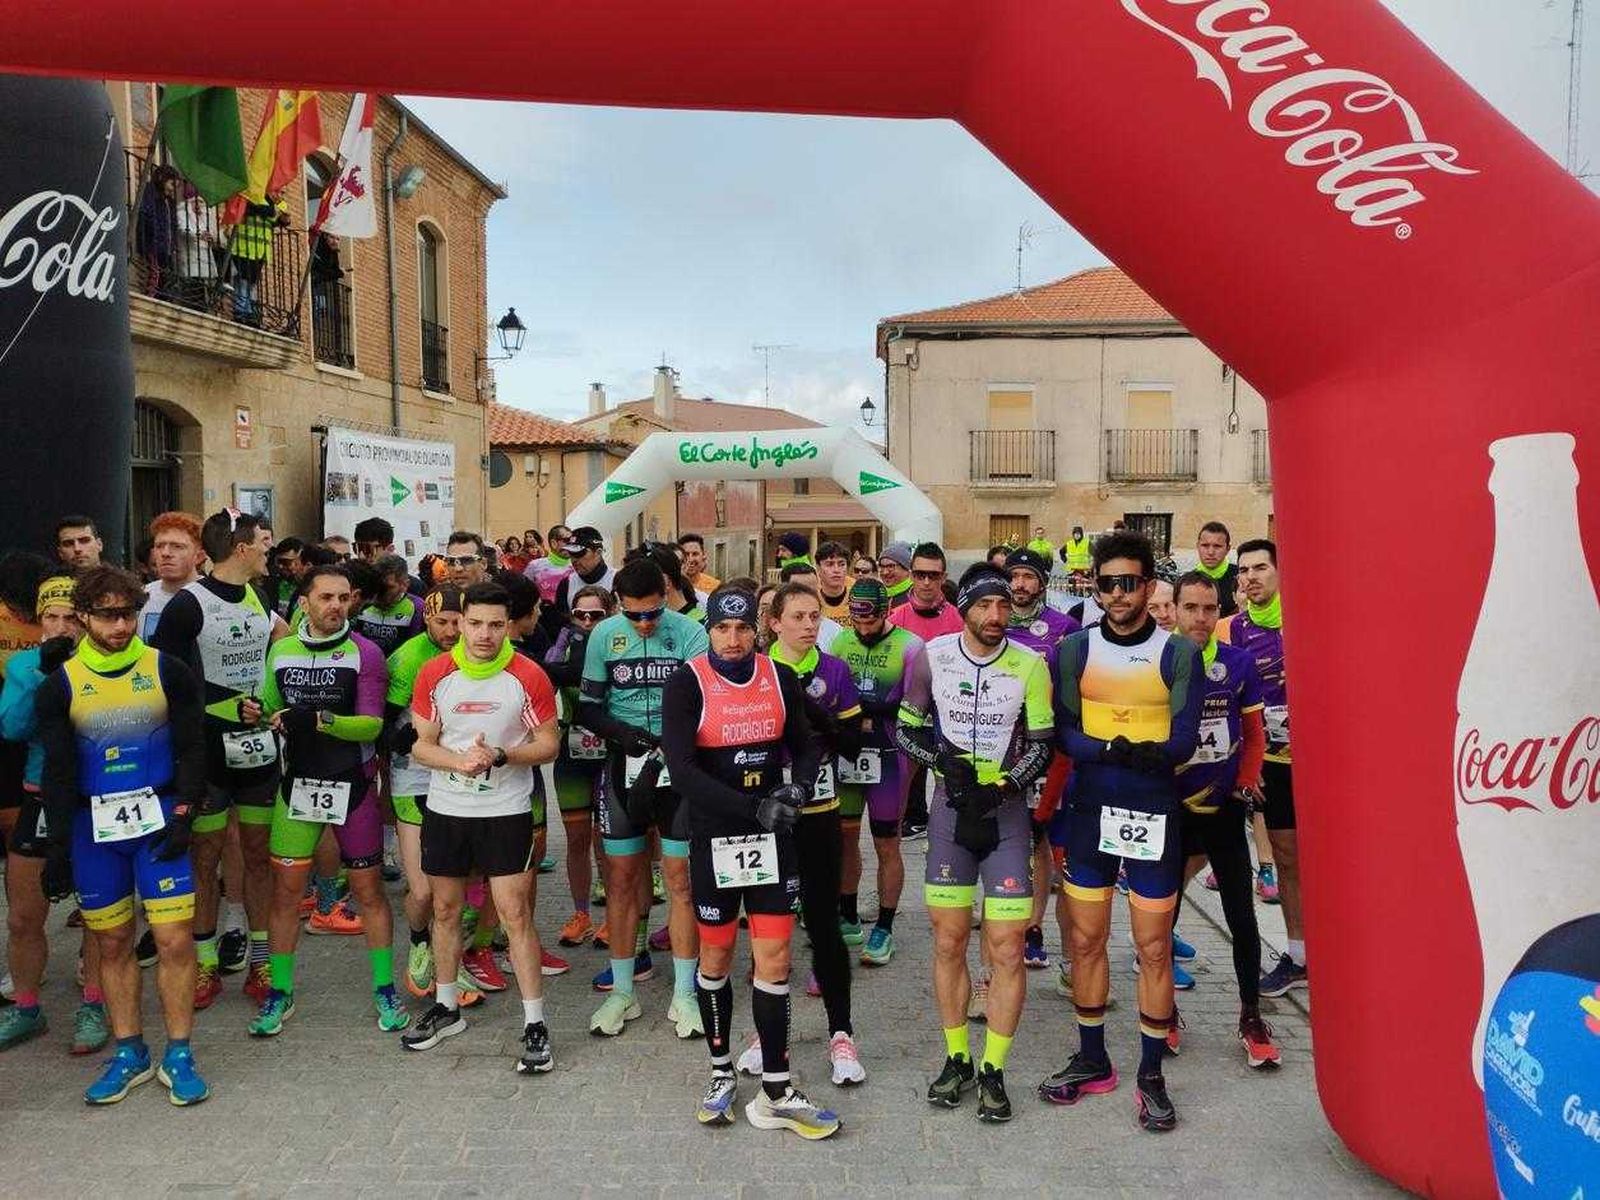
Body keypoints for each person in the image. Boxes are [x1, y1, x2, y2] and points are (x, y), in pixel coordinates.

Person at [659, 586, 839, 1138]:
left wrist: (798, 789)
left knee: (776, 958)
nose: (733, 640)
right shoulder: (687, 682)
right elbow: (683, 771)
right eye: (722, 630)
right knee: (714, 961)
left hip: (772, 837)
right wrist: (751, 806)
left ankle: (778, 1090)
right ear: (708, 631)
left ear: (757, 629)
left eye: (742, 630)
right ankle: (719, 1074)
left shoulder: (779, 677)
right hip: (717, 837)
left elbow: (811, 742)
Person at [1040, 531, 1202, 1133]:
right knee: (1084, 942)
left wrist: (1131, 754)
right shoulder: (1075, 651)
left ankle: (1152, 1074)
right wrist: (1115, 747)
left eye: (1129, 583)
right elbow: (1065, 734)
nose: (1117, 594)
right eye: (1106, 583)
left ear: (1150, 586)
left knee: (1153, 947)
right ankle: (1093, 1058)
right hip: (1089, 814)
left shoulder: (1178, 653)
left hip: (1153, 814)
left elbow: (1183, 740)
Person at [36, 566, 211, 1105]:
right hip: (95, 826)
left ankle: (178, 1052)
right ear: (84, 617)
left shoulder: (168, 669)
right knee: (110, 942)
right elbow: (58, 773)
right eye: (108, 615)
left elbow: (193, 747)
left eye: (128, 613)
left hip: (158, 817)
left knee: (174, 940)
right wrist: (59, 846)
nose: (120, 624)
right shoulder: (60, 684)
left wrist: (185, 812)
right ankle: (130, 1050)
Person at [896, 566, 1054, 1123]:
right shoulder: (931, 657)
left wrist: (1008, 784)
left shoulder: (1030, 665)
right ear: (963, 608)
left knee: (1008, 944)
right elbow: (905, 728)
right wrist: (941, 762)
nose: (996, 617)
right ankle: (957, 1056)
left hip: (1005, 817)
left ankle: (994, 1067)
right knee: (948, 940)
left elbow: (1043, 743)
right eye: (985, 607)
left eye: (1004, 607)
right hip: (949, 814)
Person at [399, 582, 561, 1074]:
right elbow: (420, 745)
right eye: (475, 623)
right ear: (461, 621)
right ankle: (447, 1008)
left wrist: (501, 755)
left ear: (508, 625)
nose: (484, 635)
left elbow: (549, 744)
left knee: (515, 916)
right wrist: (457, 761)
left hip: (506, 810)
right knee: (444, 910)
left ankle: (535, 1023)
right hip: (447, 810)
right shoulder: (434, 672)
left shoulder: (528, 675)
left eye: (496, 625)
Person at [247, 564, 405, 1037]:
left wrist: (316, 719)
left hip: (352, 785)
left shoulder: (367, 653)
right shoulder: (282, 650)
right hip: (297, 786)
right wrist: (255, 713)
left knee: (369, 893)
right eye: (326, 598)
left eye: (343, 598)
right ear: (304, 603)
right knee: (286, 895)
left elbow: (372, 725)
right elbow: (270, 708)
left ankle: (384, 987)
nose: (336, 606)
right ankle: (280, 992)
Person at [150, 509, 287, 1009]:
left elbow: (272, 661)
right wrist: (223, 707)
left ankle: (261, 958)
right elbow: (162, 678)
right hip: (205, 751)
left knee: (255, 854)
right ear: (242, 548)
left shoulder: (260, 594)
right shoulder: (188, 604)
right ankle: (205, 962)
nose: (268, 550)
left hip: (255, 746)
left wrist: (271, 707)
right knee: (204, 857)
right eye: (262, 543)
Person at [736, 583, 866, 1086]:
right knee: (769, 929)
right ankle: (766, 1034)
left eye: (815, 615)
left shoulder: (834, 670)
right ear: (774, 623)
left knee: (825, 925)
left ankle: (842, 1033)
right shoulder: (755, 670)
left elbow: (853, 744)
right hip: (767, 817)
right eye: (798, 617)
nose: (810, 625)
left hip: (821, 811)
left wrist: (814, 713)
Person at [577, 557, 708, 1037]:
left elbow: (704, 701)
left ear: (666, 595)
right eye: (633, 615)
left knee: (680, 882)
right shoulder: (602, 636)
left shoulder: (691, 633)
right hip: (623, 767)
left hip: (676, 772)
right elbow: (587, 707)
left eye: (652, 612)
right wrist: (619, 731)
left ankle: (685, 993)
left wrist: (673, 743)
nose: (645, 623)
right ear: (618, 606)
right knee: (622, 881)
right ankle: (623, 993)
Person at [1171, 572, 1280, 1067]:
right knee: (1162, 912)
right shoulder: (1158, 660)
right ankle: (1163, 1010)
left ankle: (1251, 1013)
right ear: (1173, 609)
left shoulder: (1236, 663)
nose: (1200, 617)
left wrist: (1246, 778)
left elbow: (1254, 734)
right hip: (1171, 806)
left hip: (1223, 803)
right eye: (1190, 607)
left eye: (1209, 609)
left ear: (1219, 612)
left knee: (1241, 911)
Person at [0, 574, 107, 1054]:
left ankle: (93, 1003)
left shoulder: (102, 661)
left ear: (85, 620)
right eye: (52, 617)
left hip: (90, 798)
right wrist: (44, 672)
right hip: (39, 797)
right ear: (40, 620)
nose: (61, 627)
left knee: (101, 914)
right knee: (24, 917)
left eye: (71, 617)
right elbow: (14, 727)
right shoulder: (25, 664)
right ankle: (26, 1008)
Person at [823, 578, 924, 967]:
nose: (863, 629)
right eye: (857, 621)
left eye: (871, 620)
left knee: (887, 842)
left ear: (885, 613)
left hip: (889, 756)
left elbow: (913, 706)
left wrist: (863, 706)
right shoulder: (840, 642)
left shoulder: (910, 646)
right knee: (846, 837)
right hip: (848, 754)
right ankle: (848, 914)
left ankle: (884, 925)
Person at [1217, 538, 1303, 996]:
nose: (1250, 577)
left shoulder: (1309, 617)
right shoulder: (1232, 630)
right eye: (1243, 570)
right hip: (1272, 763)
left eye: (1260, 568)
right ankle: (1299, 955)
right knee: (1288, 859)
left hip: (1325, 766)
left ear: (1280, 571)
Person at [385, 586, 477, 1005]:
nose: (451, 630)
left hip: (460, 777)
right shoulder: (407, 659)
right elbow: (381, 728)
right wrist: (410, 738)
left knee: (455, 887)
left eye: (459, 622)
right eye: (443, 622)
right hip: (415, 779)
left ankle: (452, 964)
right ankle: (419, 941)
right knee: (422, 891)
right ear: (427, 620)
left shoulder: (479, 652)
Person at [1002, 548, 1081, 973]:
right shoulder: (994, 623)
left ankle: (1073, 955)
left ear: (1042, 582)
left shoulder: (1064, 628)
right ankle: (1029, 929)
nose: (1019, 584)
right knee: (1027, 846)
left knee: (1058, 846)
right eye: (1013, 576)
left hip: (1054, 754)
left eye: (1028, 577)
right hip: (1009, 752)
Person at [543, 585, 614, 949]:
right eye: (580, 615)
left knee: (606, 841)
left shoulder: (617, 645)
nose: (586, 622)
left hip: (607, 756)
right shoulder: (564, 641)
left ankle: (613, 917)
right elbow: (547, 671)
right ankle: (581, 913)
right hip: (571, 755)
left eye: (595, 616)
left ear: (610, 615)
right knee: (575, 840)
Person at [139, 512, 204, 641]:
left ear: (199, 556)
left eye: (177, 546)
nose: (166, 553)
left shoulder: (213, 596)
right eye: (159, 546)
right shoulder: (140, 596)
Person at [229, 189, 288, 325]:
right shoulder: (255, 198)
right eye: (278, 191)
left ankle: (248, 310)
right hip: (243, 247)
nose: (280, 195)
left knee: (251, 282)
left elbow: (283, 219)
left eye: (283, 193)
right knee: (243, 280)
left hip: (260, 251)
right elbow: (268, 212)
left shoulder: (276, 205)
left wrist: (282, 211)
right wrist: (278, 209)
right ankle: (240, 310)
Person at [887, 543, 964, 643]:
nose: (926, 582)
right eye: (920, 575)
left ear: (943, 578)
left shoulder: (960, 621)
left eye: (933, 575)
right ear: (911, 576)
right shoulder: (894, 622)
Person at [351, 554, 424, 657]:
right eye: (376, 584)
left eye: (387, 587)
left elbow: (415, 649)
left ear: (405, 585)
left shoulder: (417, 607)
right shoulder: (363, 602)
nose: (379, 593)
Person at [550, 527, 615, 633]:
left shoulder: (617, 580)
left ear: (598, 552)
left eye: (579, 553)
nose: (574, 560)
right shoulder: (566, 584)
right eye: (571, 554)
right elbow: (561, 626)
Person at [776, 560, 842, 650]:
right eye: (800, 592)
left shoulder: (835, 632)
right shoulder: (771, 630)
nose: (808, 597)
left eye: (812, 591)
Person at [1194, 521, 1239, 618]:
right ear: (1197, 546)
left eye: (1217, 546)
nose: (1210, 552)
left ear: (1228, 549)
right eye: (1205, 545)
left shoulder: (1242, 577)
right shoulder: (1185, 582)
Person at [814, 541, 852, 623]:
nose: (836, 570)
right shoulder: (812, 600)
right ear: (818, 568)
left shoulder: (857, 598)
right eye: (829, 564)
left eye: (841, 564)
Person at [676, 532, 720, 596]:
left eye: (695, 554)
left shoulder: (715, 586)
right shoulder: (672, 587)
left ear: (703, 555)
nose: (690, 559)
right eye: (686, 554)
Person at [876, 542, 913, 608]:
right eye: (881, 566)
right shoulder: (878, 595)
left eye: (891, 566)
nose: (885, 572)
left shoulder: (915, 597)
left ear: (906, 569)